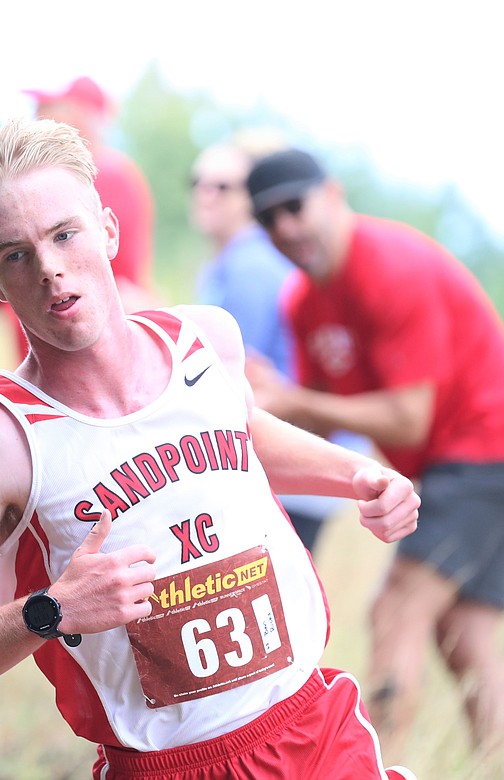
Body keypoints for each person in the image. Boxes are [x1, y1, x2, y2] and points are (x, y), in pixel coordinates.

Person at [0, 118, 421, 779]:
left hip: (313, 730)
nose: (49, 268)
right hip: (168, 765)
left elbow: (237, 432)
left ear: (107, 229)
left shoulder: (206, 341)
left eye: (64, 234)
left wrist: (359, 475)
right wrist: (49, 611)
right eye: (16, 254)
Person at [244, 148, 504, 777]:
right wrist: (253, 405)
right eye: (267, 219)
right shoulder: (304, 302)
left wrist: (294, 398)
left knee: (396, 610)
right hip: (455, 461)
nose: (285, 229)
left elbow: (409, 416)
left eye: (294, 207)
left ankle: (379, 771)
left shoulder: (391, 266)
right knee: (465, 635)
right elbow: (326, 416)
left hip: (490, 450)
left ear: (332, 194)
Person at [191, 133, 371, 555]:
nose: (206, 194)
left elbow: (215, 376)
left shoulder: (251, 265)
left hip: (285, 454)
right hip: (292, 447)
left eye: (223, 186)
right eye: (197, 182)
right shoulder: (235, 260)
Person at [26, 76, 160, 313]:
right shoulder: (79, 174)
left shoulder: (102, 176)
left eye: (49, 108)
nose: (37, 117)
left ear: (83, 115)